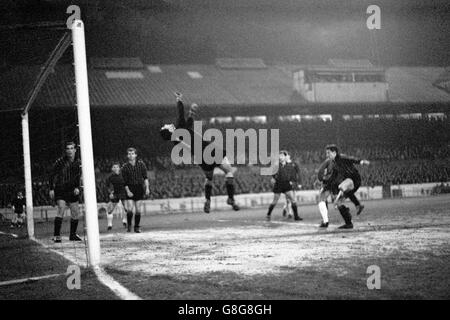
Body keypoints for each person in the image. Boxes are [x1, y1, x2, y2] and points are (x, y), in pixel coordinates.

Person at [159, 92, 239, 213]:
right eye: (166, 126)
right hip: (209, 149)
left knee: (209, 178)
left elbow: (189, 125)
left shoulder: (176, 141)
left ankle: (207, 200)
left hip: (201, 158)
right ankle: (231, 198)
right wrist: (179, 99)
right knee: (228, 171)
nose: (167, 124)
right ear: (169, 130)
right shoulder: (179, 128)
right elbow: (181, 113)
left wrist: (191, 112)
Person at [323, 144, 370, 229]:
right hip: (348, 182)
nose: (327, 155)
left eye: (328, 153)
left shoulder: (342, 157)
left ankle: (356, 205)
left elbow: (351, 159)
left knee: (341, 187)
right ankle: (349, 223)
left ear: (334, 152)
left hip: (354, 180)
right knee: (338, 203)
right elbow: (334, 176)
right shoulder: (333, 163)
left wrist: (361, 162)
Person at [49, 141, 82, 243]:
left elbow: (82, 178)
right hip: (61, 189)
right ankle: (57, 235)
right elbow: (51, 175)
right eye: (67, 148)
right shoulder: (60, 161)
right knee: (61, 209)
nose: (69, 150)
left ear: (75, 150)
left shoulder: (79, 162)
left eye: (72, 148)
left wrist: (79, 188)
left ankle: (72, 235)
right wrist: (51, 189)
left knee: (75, 213)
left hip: (73, 190)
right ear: (65, 150)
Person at [266, 151, 302, 222]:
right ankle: (268, 214)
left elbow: (292, 174)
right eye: (279, 156)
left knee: (293, 200)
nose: (280, 157)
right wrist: (274, 178)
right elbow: (273, 174)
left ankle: (296, 216)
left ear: (285, 157)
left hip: (286, 184)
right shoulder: (276, 165)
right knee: (274, 201)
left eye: (282, 156)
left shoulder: (289, 165)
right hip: (278, 185)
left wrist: (292, 181)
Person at [121, 148, 150, 233]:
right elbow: (124, 181)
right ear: (127, 155)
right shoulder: (125, 167)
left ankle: (137, 227)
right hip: (129, 187)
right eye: (129, 154)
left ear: (136, 155)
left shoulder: (141, 164)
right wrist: (128, 191)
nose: (131, 155)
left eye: (132, 153)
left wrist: (147, 188)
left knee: (138, 209)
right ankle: (129, 226)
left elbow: (145, 177)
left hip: (139, 188)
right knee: (130, 209)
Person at [106, 162, 127, 231]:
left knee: (126, 208)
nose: (115, 168)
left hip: (123, 193)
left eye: (117, 167)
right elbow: (108, 186)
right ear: (112, 168)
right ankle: (109, 225)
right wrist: (110, 193)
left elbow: (127, 184)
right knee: (110, 210)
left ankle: (125, 221)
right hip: (115, 194)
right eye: (114, 167)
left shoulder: (123, 175)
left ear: (119, 168)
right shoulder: (110, 177)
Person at [281, 152, 301, 219]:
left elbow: (299, 173)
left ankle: (285, 208)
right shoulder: (283, 165)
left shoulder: (294, 164)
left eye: (285, 156)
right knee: (289, 199)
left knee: (292, 198)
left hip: (294, 183)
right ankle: (290, 213)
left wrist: (299, 183)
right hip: (287, 184)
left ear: (289, 156)